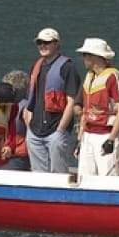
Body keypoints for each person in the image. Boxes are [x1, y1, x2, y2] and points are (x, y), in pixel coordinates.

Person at [24, 27, 82, 173]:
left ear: (56, 44)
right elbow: (31, 98)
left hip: (56, 130)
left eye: (47, 42)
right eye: (40, 43)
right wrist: (29, 123)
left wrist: (61, 129)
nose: (42, 46)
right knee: (38, 175)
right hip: (35, 130)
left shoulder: (67, 68)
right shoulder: (36, 66)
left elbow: (71, 102)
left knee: (59, 174)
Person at [76, 37, 119, 177]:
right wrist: (80, 139)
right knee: (85, 178)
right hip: (88, 135)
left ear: (95, 57)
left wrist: (111, 139)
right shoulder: (89, 76)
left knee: (108, 178)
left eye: (85, 55)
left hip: (106, 133)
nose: (83, 59)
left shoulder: (114, 77)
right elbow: (85, 111)